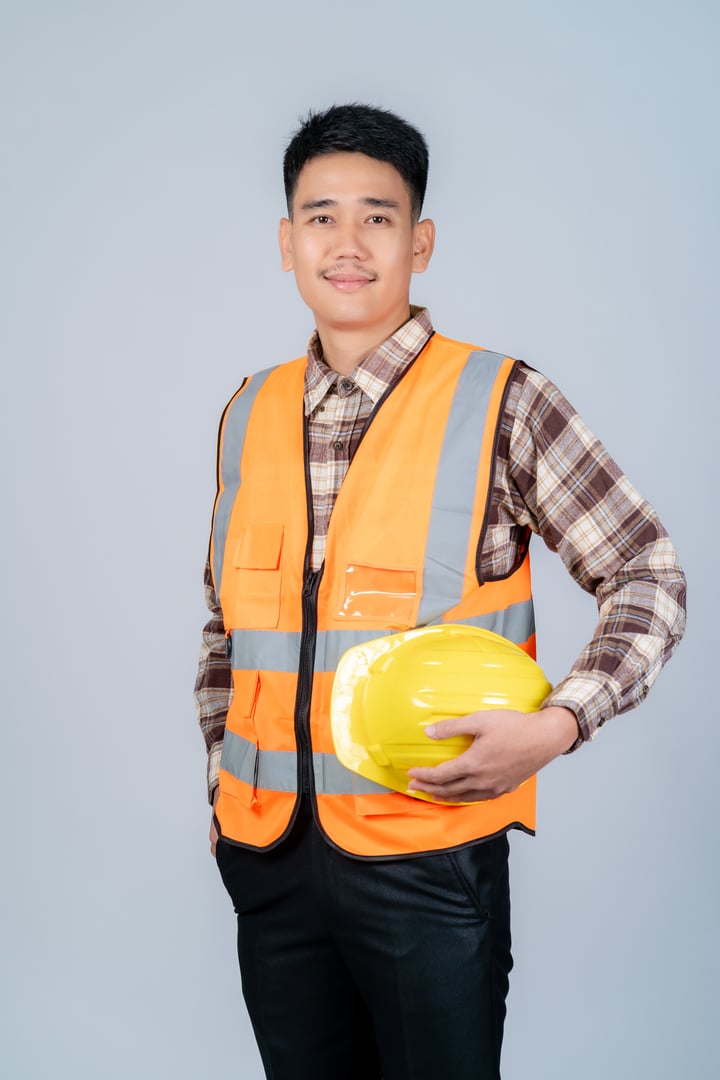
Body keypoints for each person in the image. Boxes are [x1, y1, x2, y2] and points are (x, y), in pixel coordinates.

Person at [195, 104, 686, 1080]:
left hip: (428, 860)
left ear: (419, 243)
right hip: (269, 863)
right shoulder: (247, 410)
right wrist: (222, 786)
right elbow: (227, 628)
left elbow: (647, 572)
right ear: (287, 242)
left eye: (377, 217)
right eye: (321, 216)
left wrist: (560, 724)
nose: (346, 243)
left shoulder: (502, 400)